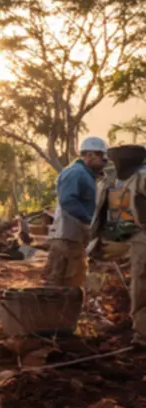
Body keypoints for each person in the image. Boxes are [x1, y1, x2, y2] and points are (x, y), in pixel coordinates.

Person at [88, 145, 146, 341]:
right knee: (139, 285)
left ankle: (142, 334)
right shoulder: (112, 181)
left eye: (116, 161)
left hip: (141, 238)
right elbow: (104, 212)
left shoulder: (142, 178)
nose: (113, 165)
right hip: (131, 237)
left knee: (141, 286)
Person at [45, 136, 106, 289]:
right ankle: (52, 312)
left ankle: (64, 312)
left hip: (74, 239)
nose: (104, 163)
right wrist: (88, 221)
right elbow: (68, 200)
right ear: (91, 155)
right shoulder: (76, 173)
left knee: (72, 282)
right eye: (102, 158)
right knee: (60, 282)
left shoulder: (87, 176)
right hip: (66, 238)